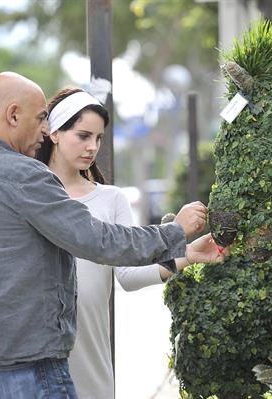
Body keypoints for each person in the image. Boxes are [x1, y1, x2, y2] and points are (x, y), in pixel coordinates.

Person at [0, 71, 229, 399]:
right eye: (39, 119)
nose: (45, 131)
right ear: (13, 115)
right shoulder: (25, 176)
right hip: (26, 368)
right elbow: (98, 240)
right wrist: (175, 232)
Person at [36, 86, 204, 398]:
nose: (92, 147)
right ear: (54, 133)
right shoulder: (28, 192)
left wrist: (189, 254)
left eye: (98, 139)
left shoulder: (111, 198)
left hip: (90, 354)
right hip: (33, 355)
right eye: (83, 136)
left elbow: (128, 275)